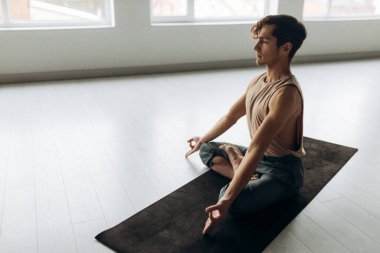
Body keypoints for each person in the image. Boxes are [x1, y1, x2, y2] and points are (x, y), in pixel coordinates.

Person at [185, 14, 307, 235]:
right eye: (257, 39)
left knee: (231, 199)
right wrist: (202, 139)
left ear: (285, 48)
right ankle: (240, 166)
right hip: (259, 160)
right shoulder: (258, 80)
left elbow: (257, 148)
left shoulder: (286, 94)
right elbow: (230, 117)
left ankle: (238, 164)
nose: (256, 47)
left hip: (283, 172)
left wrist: (226, 202)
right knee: (206, 149)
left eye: (265, 41)